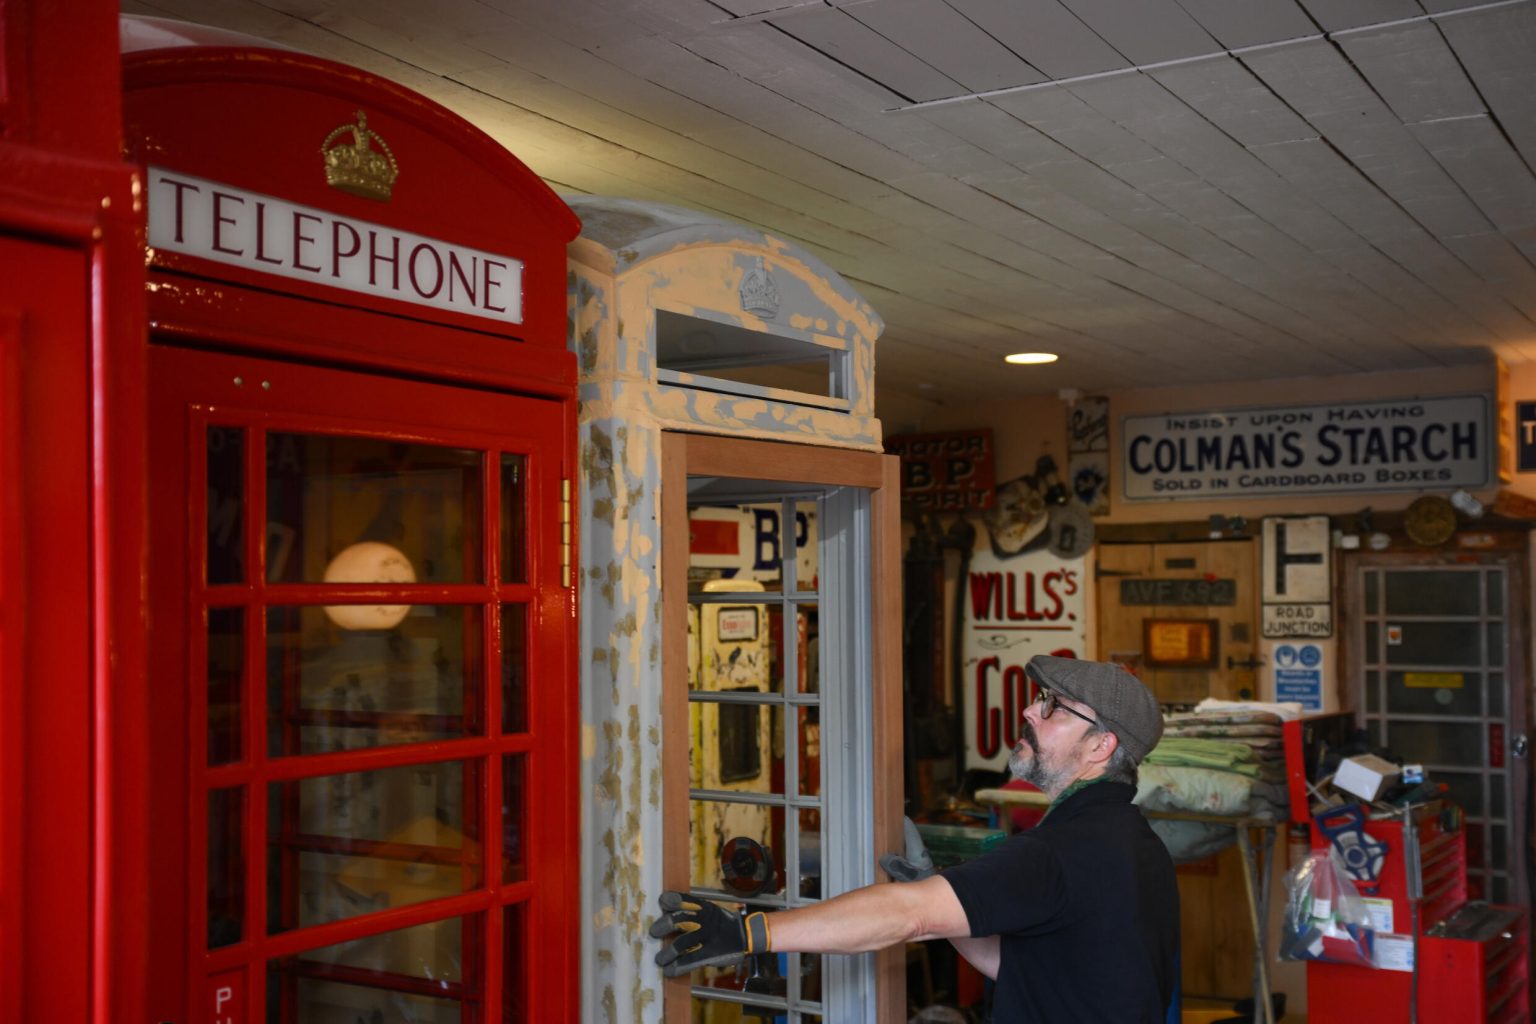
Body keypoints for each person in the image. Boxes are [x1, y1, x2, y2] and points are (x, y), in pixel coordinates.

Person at [650, 655, 1179, 1022]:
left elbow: (908, 915)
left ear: (1100, 747)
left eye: (1053, 707)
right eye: (1040, 698)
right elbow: (1022, 969)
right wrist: (948, 897)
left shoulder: (1059, 852)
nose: (1028, 711)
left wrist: (750, 932)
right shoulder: (1138, 845)